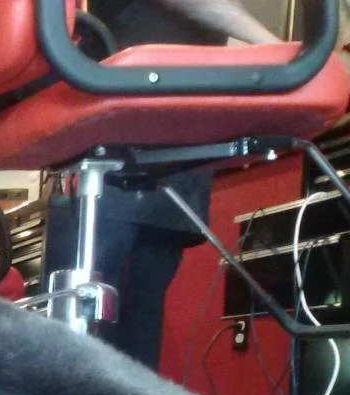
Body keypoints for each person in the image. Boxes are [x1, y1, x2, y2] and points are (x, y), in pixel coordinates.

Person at [38, 0, 281, 370]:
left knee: (133, 322)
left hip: (172, 141)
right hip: (123, 125)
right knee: (89, 320)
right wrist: (278, 51)